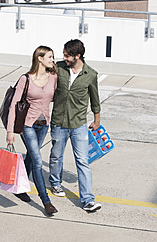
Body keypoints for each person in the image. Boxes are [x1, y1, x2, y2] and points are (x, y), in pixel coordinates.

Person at [49, 39, 102, 212]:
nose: (63, 57)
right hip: (58, 121)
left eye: (67, 55)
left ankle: (87, 199)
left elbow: (95, 99)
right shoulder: (59, 68)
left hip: (79, 124)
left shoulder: (91, 74)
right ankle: (55, 183)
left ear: (77, 56)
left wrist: (97, 121)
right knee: (56, 156)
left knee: (82, 161)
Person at [6, 46, 58, 215]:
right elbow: (14, 104)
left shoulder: (53, 77)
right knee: (37, 160)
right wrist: (10, 131)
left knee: (31, 154)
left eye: (53, 57)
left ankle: (19, 189)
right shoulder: (25, 79)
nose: (52, 59)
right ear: (40, 58)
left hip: (44, 125)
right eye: (49, 57)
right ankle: (46, 201)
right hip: (27, 125)